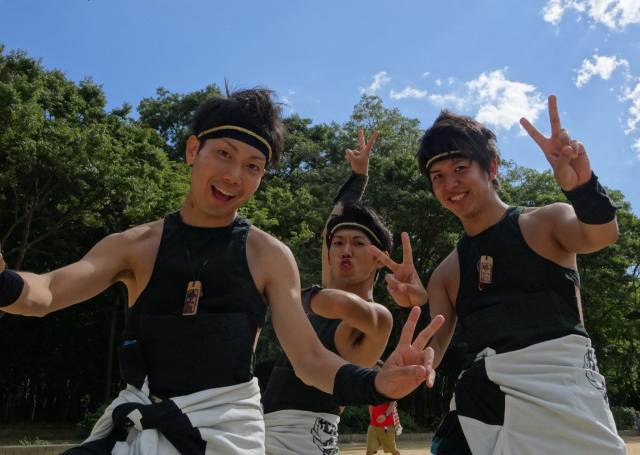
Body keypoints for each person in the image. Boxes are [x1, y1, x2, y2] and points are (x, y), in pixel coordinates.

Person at [0, 87, 444, 455]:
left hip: (228, 432)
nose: (234, 176)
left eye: (252, 166)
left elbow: (310, 360)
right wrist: (4, 281)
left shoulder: (268, 256)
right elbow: (47, 292)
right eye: (224, 154)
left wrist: (378, 384)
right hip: (140, 420)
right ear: (193, 149)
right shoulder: (135, 246)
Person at [371, 95, 626, 454]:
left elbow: (601, 235)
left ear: (491, 168)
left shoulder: (545, 221)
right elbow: (433, 348)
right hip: (486, 402)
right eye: (438, 176)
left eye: (460, 168)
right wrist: (415, 316)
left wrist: (583, 188)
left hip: (566, 392)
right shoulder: (446, 273)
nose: (450, 183)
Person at [263, 131, 395, 454]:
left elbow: (340, 305)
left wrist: (274, 292)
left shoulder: (377, 317)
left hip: (308, 438)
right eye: (338, 243)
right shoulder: (324, 292)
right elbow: (329, 229)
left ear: (380, 259)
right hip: (263, 429)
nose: (344, 250)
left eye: (358, 243)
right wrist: (358, 178)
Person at [365, 361, 401, 455]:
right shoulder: (370, 386)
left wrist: (385, 415)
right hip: (373, 425)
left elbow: (392, 403)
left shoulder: (388, 385)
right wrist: (372, 419)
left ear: (383, 370)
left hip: (387, 425)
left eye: (376, 369)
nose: (374, 371)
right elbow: (370, 405)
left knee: (393, 450)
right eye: (373, 369)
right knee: (369, 451)